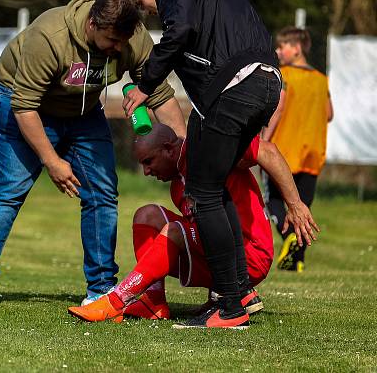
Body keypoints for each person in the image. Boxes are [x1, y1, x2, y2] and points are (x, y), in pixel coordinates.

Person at [119, 0, 319, 328]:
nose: (148, 12)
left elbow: (178, 32)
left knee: (203, 191)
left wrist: (146, 85)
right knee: (215, 184)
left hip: (237, 86)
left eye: (143, 3)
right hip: (264, 83)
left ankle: (230, 306)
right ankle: (239, 291)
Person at [0, 0, 186, 314]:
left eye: (122, 41)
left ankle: (101, 289)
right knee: (9, 190)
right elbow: (24, 106)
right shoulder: (50, 37)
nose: (118, 48)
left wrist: (184, 152)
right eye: (111, 40)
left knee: (103, 193)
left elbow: (161, 95)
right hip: (25, 104)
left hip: (84, 110)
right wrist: (52, 161)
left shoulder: (131, 37)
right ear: (92, 25)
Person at [67, 124, 314, 328]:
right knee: (147, 215)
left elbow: (268, 151)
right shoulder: (177, 183)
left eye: (149, 161)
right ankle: (154, 302)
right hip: (222, 252)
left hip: (251, 256)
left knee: (175, 231)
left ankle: (116, 300)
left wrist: (295, 204)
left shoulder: (207, 150)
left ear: (169, 149)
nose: (146, 171)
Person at [261, 27, 333, 272]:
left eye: (283, 47)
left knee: (272, 201)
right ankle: (296, 261)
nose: (278, 51)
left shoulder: (284, 75)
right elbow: (329, 114)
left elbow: (278, 109)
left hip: (284, 152)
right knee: (303, 207)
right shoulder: (322, 80)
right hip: (312, 153)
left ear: (297, 48)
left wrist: (263, 140)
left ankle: (290, 239)